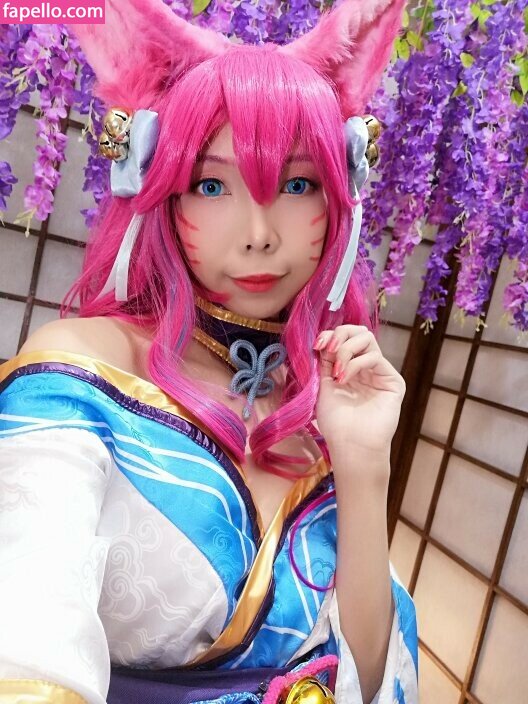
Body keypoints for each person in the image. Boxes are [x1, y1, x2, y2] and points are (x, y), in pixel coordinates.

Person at [0, 0, 419, 702]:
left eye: (297, 185)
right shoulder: (78, 372)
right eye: (212, 185)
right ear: (160, 193)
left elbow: (366, 677)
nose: (258, 234)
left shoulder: (325, 398)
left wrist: (364, 465)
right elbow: (23, 639)